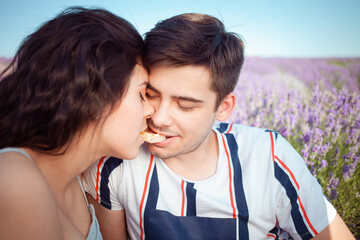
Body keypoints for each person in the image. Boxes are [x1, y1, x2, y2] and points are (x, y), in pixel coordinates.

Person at [82, 13, 355, 240]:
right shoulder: (115, 164)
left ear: (223, 108)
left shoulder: (268, 159)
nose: (159, 117)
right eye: (150, 94)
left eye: (185, 105)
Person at [0, 7, 153, 240]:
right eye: (142, 95)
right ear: (96, 94)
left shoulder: (80, 181)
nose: (152, 111)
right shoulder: (15, 181)